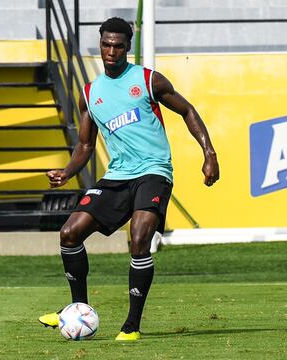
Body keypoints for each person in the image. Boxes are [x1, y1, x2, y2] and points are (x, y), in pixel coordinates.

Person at [39, 17, 219, 341]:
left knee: (138, 238)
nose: (111, 51)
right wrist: (67, 172)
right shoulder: (90, 92)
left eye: (118, 46)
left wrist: (209, 153)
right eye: (106, 44)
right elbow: (84, 145)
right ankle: (79, 308)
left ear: (128, 47)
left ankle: (132, 326)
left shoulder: (148, 80)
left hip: (154, 172)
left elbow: (188, 110)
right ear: (100, 44)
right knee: (69, 233)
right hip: (117, 176)